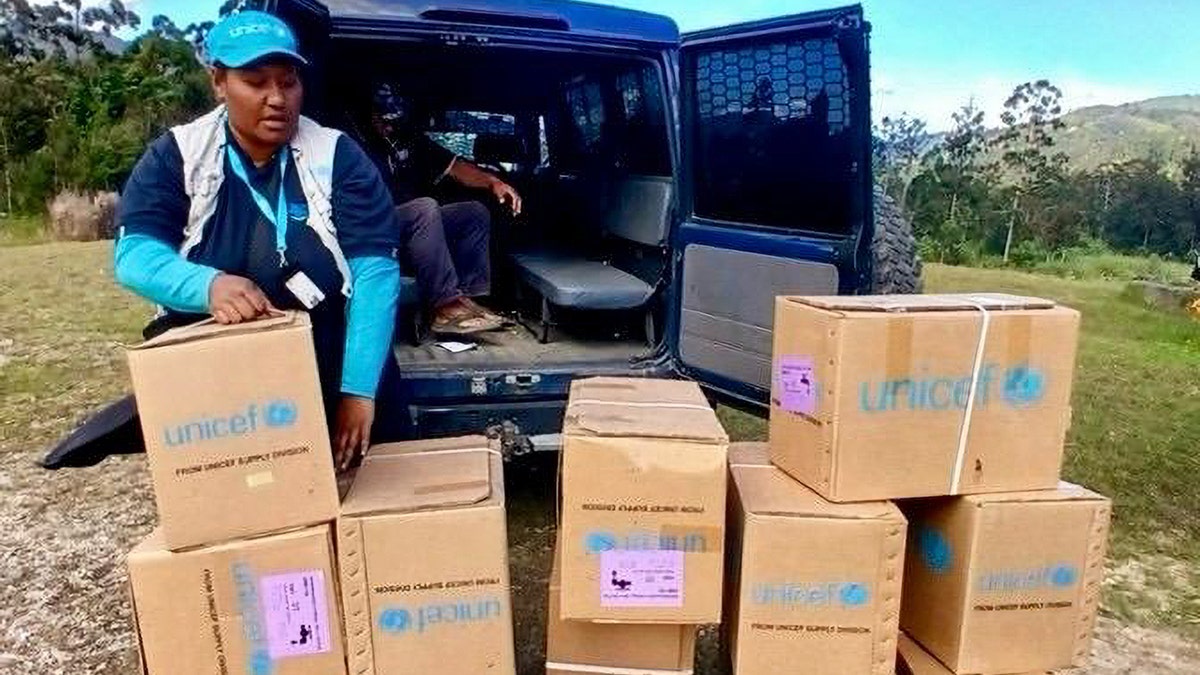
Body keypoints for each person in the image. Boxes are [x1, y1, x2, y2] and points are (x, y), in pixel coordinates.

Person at [113, 10, 404, 470]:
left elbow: (375, 271)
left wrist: (358, 391)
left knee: (372, 481)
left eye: (288, 82)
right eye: (255, 82)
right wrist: (207, 286)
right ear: (218, 82)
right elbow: (135, 254)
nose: (277, 99)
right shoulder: (177, 155)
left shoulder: (338, 155)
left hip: (331, 358)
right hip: (224, 374)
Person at [366, 85, 523, 335]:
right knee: (425, 207)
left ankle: (468, 300)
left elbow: (456, 167)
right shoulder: (356, 144)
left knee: (473, 212)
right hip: (374, 225)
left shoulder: (410, 140)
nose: (389, 127)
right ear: (372, 116)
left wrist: (493, 182)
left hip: (413, 226)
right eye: (383, 121)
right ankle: (445, 308)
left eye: (394, 121)